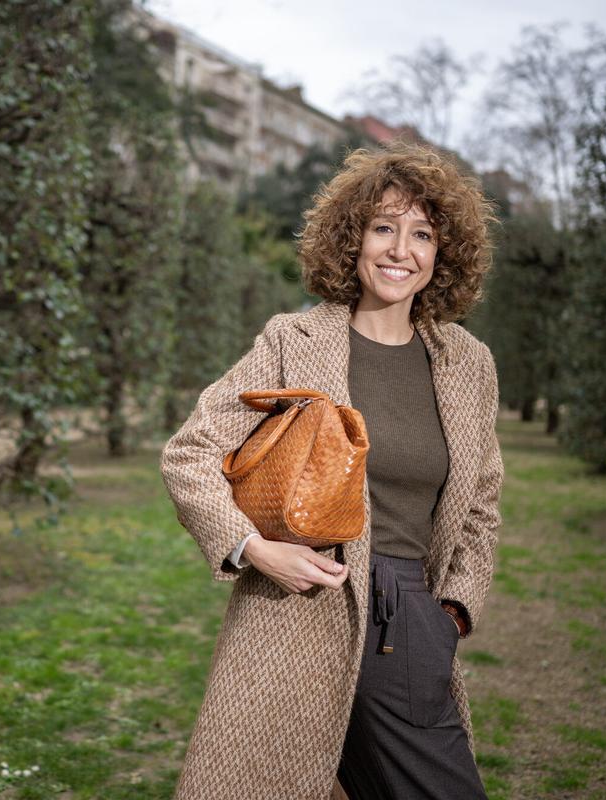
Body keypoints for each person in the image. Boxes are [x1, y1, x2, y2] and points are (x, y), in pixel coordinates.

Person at [159, 142, 503, 800]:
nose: (401, 249)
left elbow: (482, 503)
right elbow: (192, 450)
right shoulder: (295, 341)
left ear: (442, 252)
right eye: (383, 227)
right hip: (294, 609)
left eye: (422, 233)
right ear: (353, 239)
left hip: (407, 623)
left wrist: (452, 613)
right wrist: (254, 548)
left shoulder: (467, 363)